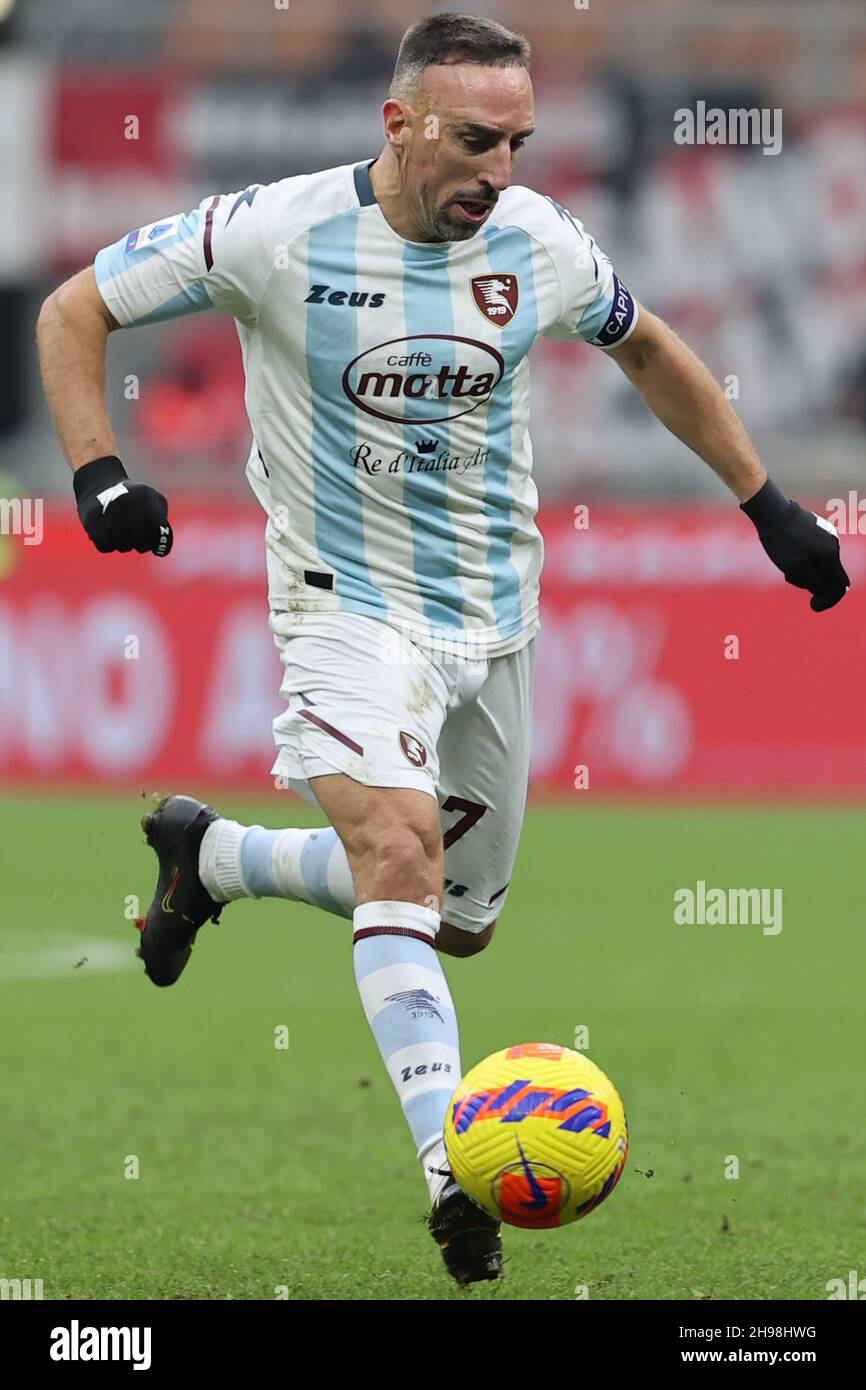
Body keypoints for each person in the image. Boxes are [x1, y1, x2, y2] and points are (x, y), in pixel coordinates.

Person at [36, 12, 849, 1287]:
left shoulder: (534, 244)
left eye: (517, 142)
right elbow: (75, 305)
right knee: (398, 854)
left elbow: (645, 347)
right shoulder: (276, 231)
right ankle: (453, 1179)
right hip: (342, 607)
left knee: (452, 921)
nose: (498, 170)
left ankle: (217, 854)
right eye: (473, 140)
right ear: (398, 123)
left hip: (493, 618)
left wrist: (767, 506)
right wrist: (97, 473)